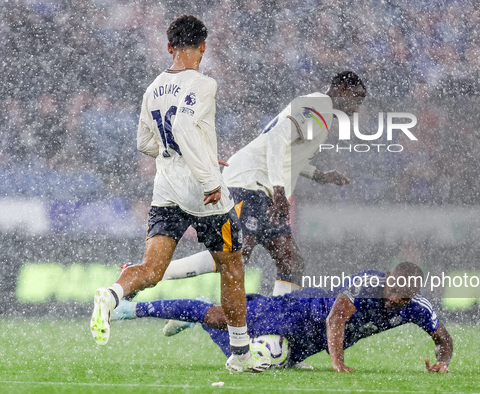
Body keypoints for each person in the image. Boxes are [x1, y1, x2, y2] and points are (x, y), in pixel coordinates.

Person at [90, 15, 269, 374]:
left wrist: (180, 154)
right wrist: (208, 178)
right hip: (203, 194)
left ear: (170, 47)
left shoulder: (153, 88)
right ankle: (241, 355)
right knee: (232, 266)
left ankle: (111, 295)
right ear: (203, 46)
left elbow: (145, 143)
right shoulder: (203, 83)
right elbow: (185, 125)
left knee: (153, 269)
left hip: (166, 189)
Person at [158, 71, 366, 298]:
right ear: (343, 91)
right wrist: (278, 188)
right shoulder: (321, 107)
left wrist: (318, 175)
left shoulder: (318, 107)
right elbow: (277, 137)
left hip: (260, 186)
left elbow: (285, 151)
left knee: (291, 262)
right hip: (249, 181)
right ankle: (153, 271)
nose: (356, 109)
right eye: (357, 100)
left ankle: (274, 325)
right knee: (236, 253)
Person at [113, 262, 453, 373]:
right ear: (388, 280)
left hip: (309, 343)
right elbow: (336, 318)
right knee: (220, 317)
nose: (393, 300)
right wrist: (338, 362)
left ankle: (201, 317)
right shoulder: (368, 284)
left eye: (402, 297)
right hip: (297, 312)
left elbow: (444, 340)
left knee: (256, 363)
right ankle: (131, 309)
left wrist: (443, 361)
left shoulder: (416, 307)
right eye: (392, 291)